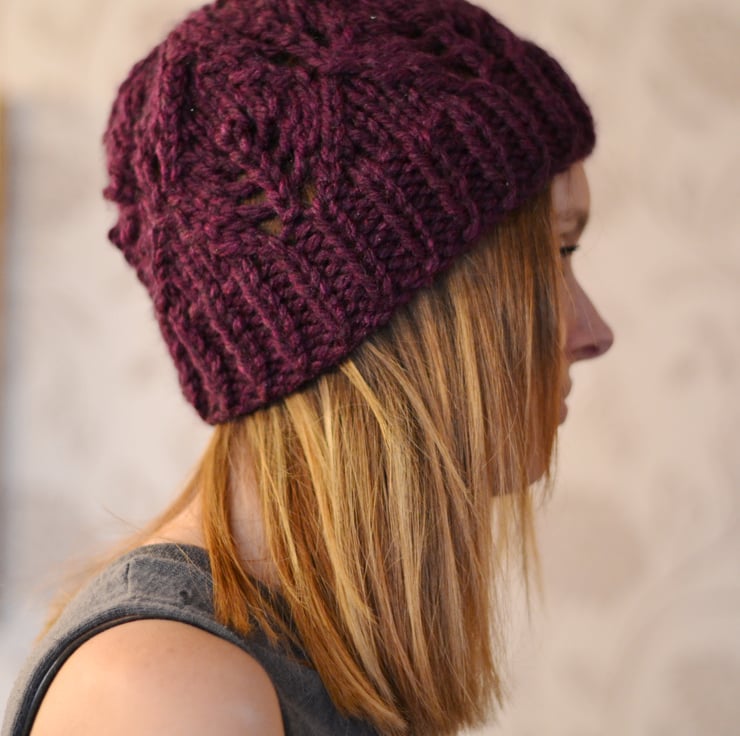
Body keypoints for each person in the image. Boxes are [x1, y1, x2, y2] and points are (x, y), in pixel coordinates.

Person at [3, 0, 613, 734]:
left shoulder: (306, 657)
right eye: (555, 253)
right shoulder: (171, 695)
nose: (594, 332)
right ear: (394, 307)